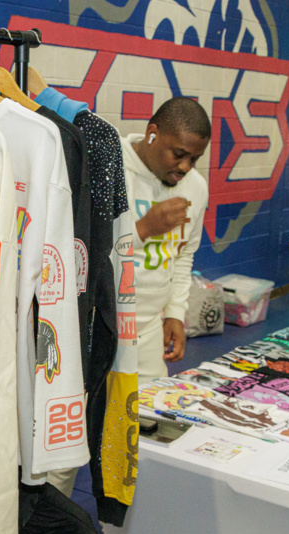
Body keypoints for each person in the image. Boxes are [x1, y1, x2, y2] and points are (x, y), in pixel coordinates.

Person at [122, 97, 211, 382]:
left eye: (194, 159)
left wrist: (175, 313)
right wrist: (143, 229)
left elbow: (183, 256)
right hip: (100, 324)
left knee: (149, 405)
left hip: (149, 326)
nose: (185, 167)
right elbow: (84, 251)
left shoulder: (195, 187)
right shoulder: (112, 170)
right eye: (179, 154)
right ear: (152, 133)